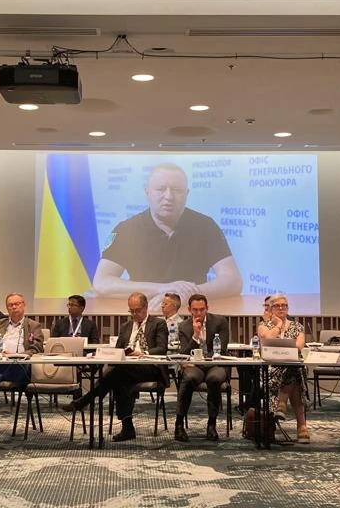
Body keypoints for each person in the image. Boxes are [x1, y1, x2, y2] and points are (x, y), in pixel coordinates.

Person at [92, 163, 242, 310]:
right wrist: (162, 289)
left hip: (192, 311)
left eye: (177, 190)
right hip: (144, 311)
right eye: (160, 189)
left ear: (187, 194)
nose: (169, 196)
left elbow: (233, 280)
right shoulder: (126, 229)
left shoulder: (206, 226)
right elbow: (101, 282)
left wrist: (185, 295)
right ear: (147, 193)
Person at [61, 292, 169, 441]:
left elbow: (162, 349)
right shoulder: (126, 326)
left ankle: (86, 400)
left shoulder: (158, 323)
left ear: (146, 307)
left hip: (149, 367)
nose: (134, 314)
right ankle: (127, 428)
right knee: (120, 379)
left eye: (137, 310)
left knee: (117, 374)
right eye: (131, 311)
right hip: (126, 368)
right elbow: (118, 350)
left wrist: (142, 353)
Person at [0, 293, 43, 444]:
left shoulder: (33, 325)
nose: (14, 307)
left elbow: (37, 347)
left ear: (24, 305)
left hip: (20, 368)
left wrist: (19, 355)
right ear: (6, 308)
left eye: (17, 304)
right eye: (10, 305)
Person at [174, 293, 230, 442]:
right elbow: (184, 354)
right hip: (195, 367)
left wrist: (200, 361)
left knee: (214, 379)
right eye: (195, 310)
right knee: (189, 378)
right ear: (189, 310)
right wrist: (195, 335)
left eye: (202, 309)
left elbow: (221, 350)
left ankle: (212, 424)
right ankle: (179, 424)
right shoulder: (184, 326)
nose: (199, 313)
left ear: (207, 308)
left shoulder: (220, 322)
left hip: (215, 364)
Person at [256, 293, 308, 443]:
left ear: (288, 308)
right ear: (271, 309)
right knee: (295, 374)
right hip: (271, 368)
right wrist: (278, 325)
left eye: (284, 306)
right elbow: (267, 339)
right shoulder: (263, 326)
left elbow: (299, 346)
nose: (281, 308)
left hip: (292, 364)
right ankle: (301, 425)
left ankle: (282, 404)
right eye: (277, 306)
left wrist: (282, 348)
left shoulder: (297, 326)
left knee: (293, 368)